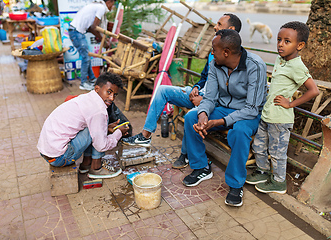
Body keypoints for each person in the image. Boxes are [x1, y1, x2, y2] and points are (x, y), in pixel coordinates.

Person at [121, 13, 242, 168]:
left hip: (213, 103)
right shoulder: (215, 48)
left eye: (219, 24)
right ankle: (145, 135)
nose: (215, 26)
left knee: (193, 115)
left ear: (231, 29)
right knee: (163, 90)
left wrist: (204, 102)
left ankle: (185, 155)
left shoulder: (233, 56)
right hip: (200, 94)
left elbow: (229, 94)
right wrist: (196, 87)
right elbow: (204, 76)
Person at [184, 29, 268, 207]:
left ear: (226, 52)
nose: (211, 52)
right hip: (223, 108)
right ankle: (201, 167)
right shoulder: (215, 64)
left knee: (239, 131)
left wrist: (220, 122)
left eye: (214, 48)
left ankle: (235, 184)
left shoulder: (255, 65)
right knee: (191, 117)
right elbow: (210, 98)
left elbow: (252, 108)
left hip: (248, 113)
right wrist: (203, 115)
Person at [246, 22, 319, 194]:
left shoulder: (297, 66)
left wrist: (291, 104)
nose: (280, 44)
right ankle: (262, 172)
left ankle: (278, 182)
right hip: (267, 115)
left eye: (287, 41)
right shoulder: (281, 59)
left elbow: (313, 90)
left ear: (300, 45)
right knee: (259, 146)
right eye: (279, 40)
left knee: (277, 153)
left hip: (280, 119)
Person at [37, 72, 130, 179]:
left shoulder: (87, 98)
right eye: (109, 92)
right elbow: (101, 145)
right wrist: (119, 133)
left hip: (48, 152)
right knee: (100, 124)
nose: (112, 98)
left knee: (97, 126)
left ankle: (86, 164)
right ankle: (96, 168)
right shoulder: (98, 110)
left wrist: (106, 128)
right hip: (60, 157)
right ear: (97, 89)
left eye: (115, 94)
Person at [68, 0, 115, 91]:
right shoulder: (101, 7)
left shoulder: (97, 5)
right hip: (76, 32)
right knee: (86, 57)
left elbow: (90, 28)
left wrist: (103, 38)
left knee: (86, 57)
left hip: (76, 32)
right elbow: (93, 27)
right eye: (112, 4)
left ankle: (92, 79)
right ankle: (83, 83)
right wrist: (103, 39)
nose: (111, 7)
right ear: (109, 2)